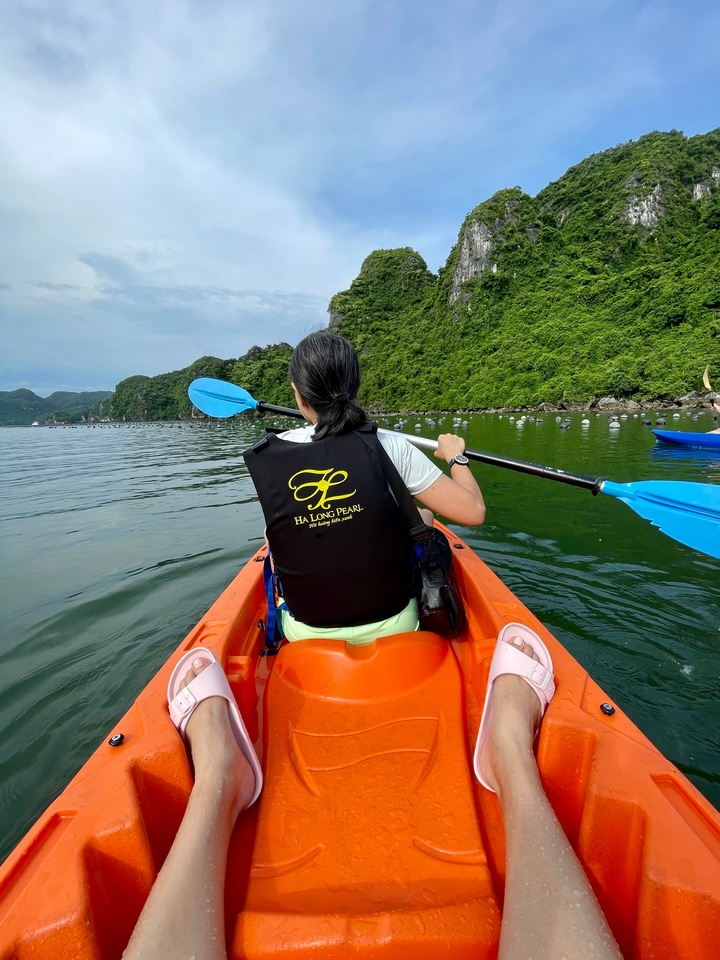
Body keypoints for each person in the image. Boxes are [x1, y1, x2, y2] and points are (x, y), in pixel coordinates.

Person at [122, 633, 623, 960]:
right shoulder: (400, 462)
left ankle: (218, 773)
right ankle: (509, 751)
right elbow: (473, 510)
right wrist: (454, 468)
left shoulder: (273, 472)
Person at [243, 331, 486, 645]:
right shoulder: (391, 446)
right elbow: (474, 511)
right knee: (423, 515)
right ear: (354, 387)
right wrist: (456, 456)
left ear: (298, 395)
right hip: (396, 622)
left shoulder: (271, 455)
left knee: (272, 533)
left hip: (304, 630)